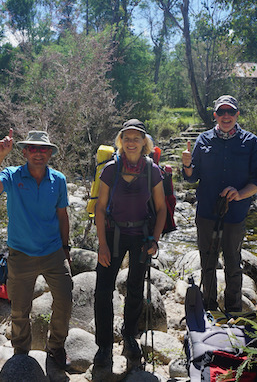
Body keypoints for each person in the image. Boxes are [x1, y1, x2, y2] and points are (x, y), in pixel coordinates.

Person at [0, 129, 73, 370]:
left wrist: (66, 248)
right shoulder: (12, 175)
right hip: (21, 254)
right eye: (33, 148)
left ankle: (56, 347)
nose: (38, 153)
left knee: (64, 299)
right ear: (24, 152)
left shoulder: (58, 180)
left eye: (43, 149)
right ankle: (21, 352)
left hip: (53, 253)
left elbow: (62, 215)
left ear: (50, 153)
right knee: (20, 308)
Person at [181, 95, 257, 313]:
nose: (226, 116)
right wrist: (188, 165)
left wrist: (239, 194)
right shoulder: (203, 140)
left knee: (233, 264)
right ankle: (209, 308)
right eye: (221, 112)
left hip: (235, 214)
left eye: (230, 112)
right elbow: (192, 178)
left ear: (237, 114)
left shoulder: (251, 142)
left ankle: (234, 311)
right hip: (207, 211)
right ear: (215, 116)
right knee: (207, 264)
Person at [93, 119, 167, 367]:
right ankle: (104, 345)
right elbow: (100, 209)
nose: (131, 142)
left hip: (141, 236)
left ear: (144, 142)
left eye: (136, 138)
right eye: (127, 138)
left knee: (136, 287)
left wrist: (154, 240)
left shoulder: (151, 170)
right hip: (113, 235)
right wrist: (102, 245)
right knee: (103, 290)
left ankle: (129, 334)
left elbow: (161, 209)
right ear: (121, 142)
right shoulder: (110, 169)